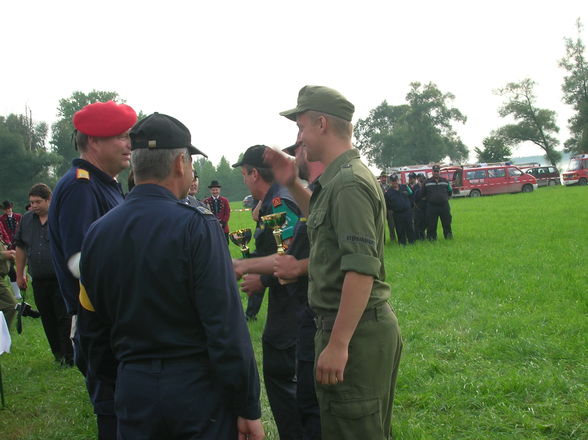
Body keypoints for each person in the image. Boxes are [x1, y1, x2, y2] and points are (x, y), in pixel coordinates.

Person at [79, 112, 263, 440]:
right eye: (191, 163)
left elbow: (92, 330)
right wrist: (247, 405)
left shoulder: (97, 232)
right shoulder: (197, 225)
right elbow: (224, 326)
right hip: (195, 391)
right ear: (180, 163)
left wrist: (123, 380)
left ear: (135, 165)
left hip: (133, 387)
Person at [265, 85, 403, 440]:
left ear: (322, 123)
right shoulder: (338, 181)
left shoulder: (348, 184)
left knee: (355, 430)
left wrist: (339, 343)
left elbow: (361, 270)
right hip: (347, 327)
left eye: (301, 127)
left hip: (355, 333)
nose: (299, 138)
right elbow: (326, 220)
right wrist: (292, 185)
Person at [48, 100, 137, 439]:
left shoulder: (105, 184)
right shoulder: (81, 187)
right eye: (121, 137)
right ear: (94, 141)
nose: (129, 145)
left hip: (115, 320)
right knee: (115, 416)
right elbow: (80, 262)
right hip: (102, 323)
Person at [232, 144, 304, 440]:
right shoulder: (272, 200)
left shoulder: (280, 201)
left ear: (252, 173)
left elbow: (291, 258)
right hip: (288, 302)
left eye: (244, 174)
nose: (244, 180)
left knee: (283, 377)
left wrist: (262, 279)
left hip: (294, 306)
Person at [15, 183, 73, 366]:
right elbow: (20, 247)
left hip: (60, 277)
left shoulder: (61, 217)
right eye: (31, 203)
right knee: (47, 317)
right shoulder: (26, 220)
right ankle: (57, 354)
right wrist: (19, 274)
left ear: (49, 200)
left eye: (38, 202)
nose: (34, 206)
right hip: (39, 279)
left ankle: (69, 355)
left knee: (63, 317)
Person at [423, 164, 453, 240]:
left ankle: (448, 237)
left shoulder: (445, 181)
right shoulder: (427, 182)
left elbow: (449, 191)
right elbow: (422, 194)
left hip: (444, 206)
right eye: (434, 171)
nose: (436, 173)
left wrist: (445, 198)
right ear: (432, 172)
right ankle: (431, 238)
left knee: (447, 222)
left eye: (437, 171)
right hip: (432, 206)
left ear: (439, 172)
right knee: (431, 224)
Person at [385, 175, 415, 245]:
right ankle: (402, 243)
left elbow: (411, 195)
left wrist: (409, 205)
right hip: (397, 214)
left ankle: (412, 242)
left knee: (410, 227)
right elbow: (388, 204)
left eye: (395, 180)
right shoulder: (388, 192)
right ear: (390, 182)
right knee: (399, 229)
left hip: (407, 212)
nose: (394, 182)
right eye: (393, 181)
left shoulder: (405, 187)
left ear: (398, 180)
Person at [1, 200, 23, 299]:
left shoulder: (18, 217)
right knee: (10, 269)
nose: (8, 210)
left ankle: (17, 293)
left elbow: (3, 233)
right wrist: (7, 244)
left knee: (12, 269)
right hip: (5, 248)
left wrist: (9, 242)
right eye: (6, 209)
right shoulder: (1, 219)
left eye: (9, 208)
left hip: (15, 243)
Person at [412, 173, 427, 240]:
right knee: (417, 224)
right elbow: (413, 198)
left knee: (425, 223)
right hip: (417, 208)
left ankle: (424, 236)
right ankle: (417, 237)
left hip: (426, 208)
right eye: (420, 178)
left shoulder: (426, 186)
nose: (421, 179)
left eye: (422, 178)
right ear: (417, 179)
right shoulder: (415, 187)